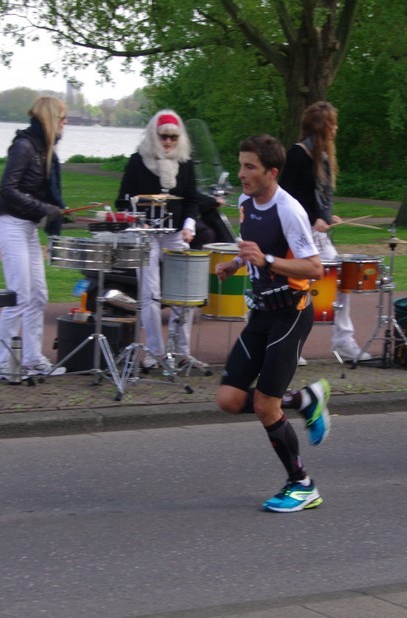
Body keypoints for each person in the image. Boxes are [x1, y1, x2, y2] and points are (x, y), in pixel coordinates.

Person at [214, 134, 332, 513]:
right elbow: (254, 248)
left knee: (266, 406)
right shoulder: (245, 202)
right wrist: (236, 263)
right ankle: (304, 399)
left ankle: (302, 484)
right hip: (262, 312)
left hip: (291, 314)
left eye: (250, 167)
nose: (241, 173)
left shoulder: (289, 210)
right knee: (229, 399)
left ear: (272, 172)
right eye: (240, 165)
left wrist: (265, 261)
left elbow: (314, 268)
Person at [118, 110, 220, 370]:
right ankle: (154, 352)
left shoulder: (184, 162)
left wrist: (188, 226)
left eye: (173, 138)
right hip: (146, 234)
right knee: (149, 293)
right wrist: (137, 221)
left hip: (174, 232)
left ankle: (181, 350)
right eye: (163, 137)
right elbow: (123, 200)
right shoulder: (138, 161)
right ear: (154, 135)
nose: (168, 142)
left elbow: (192, 199)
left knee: (184, 291)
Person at [278, 101, 371, 363]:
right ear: (321, 127)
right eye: (332, 124)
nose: (336, 129)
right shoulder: (297, 154)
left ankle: (343, 341)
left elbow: (318, 199)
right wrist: (312, 219)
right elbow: (285, 199)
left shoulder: (323, 157)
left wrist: (328, 217)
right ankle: (289, 345)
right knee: (295, 289)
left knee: (341, 280)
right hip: (297, 236)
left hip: (317, 236)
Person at [0, 96, 69, 378]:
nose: (65, 123)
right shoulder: (24, 146)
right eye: (62, 118)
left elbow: (40, 192)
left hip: (28, 226)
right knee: (20, 295)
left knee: (38, 296)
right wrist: (45, 208)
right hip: (9, 223)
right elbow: (7, 189)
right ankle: (1, 363)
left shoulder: (45, 149)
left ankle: (33, 358)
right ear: (51, 118)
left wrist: (54, 209)